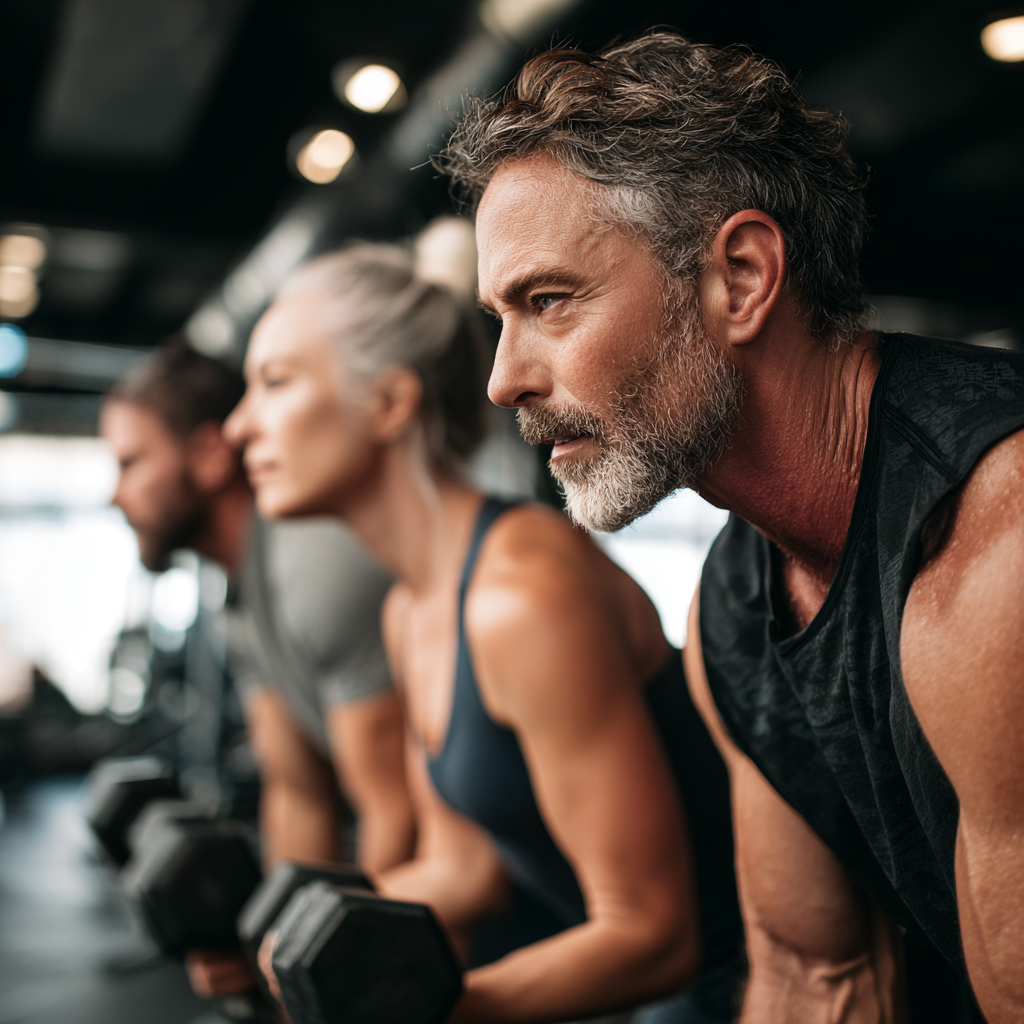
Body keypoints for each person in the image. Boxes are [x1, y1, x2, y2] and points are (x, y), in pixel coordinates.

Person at [437, 28, 1024, 1024]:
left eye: (550, 301)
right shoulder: (737, 603)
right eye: (503, 318)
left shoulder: (992, 541)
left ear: (741, 278)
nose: (504, 379)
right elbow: (813, 979)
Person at [224, 242, 744, 1024]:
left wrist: (431, 1011)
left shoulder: (522, 593)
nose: (238, 427)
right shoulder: (409, 611)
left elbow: (653, 937)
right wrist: (287, 951)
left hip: (745, 991)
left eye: (274, 383)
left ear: (390, 404)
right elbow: (464, 869)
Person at [100, 343, 415, 998]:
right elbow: (298, 791)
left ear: (210, 456)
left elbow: (396, 811)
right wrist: (272, 945)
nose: (114, 494)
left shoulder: (311, 561)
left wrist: (327, 977)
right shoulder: (235, 600)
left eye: (131, 463)